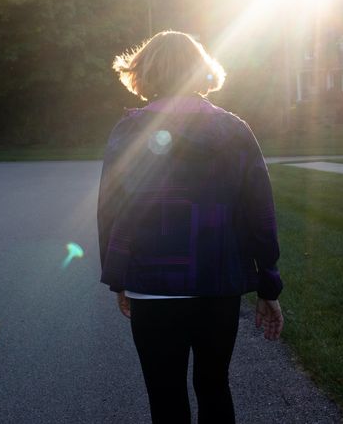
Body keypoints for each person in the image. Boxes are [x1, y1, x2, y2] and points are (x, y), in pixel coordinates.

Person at [97, 30, 284, 424]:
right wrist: (268, 284)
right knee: (215, 387)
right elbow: (260, 214)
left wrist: (120, 278)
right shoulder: (234, 130)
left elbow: (112, 211)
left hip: (152, 285)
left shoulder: (130, 131)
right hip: (217, 286)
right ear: (201, 70)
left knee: (166, 398)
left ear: (144, 72)